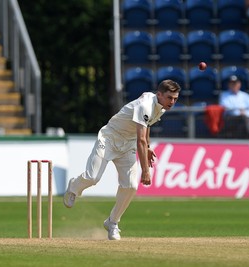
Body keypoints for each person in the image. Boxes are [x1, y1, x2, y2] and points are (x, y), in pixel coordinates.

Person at [63, 79, 181, 240]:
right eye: (169, 98)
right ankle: (74, 187)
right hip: (109, 138)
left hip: (128, 145)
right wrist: (145, 170)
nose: (172, 102)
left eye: (175, 98)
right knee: (93, 177)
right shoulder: (145, 105)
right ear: (159, 94)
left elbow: (146, 127)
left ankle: (112, 222)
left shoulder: (159, 106)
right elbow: (141, 139)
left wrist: (147, 148)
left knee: (131, 186)